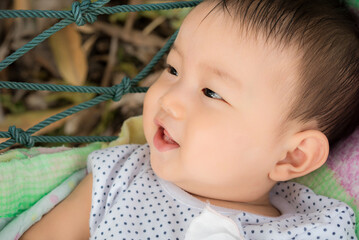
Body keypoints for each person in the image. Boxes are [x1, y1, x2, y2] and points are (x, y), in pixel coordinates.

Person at [20, 0, 359, 239]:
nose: (168, 98)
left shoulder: (313, 230)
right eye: (172, 69)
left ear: (292, 156)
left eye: (211, 92)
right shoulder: (121, 176)